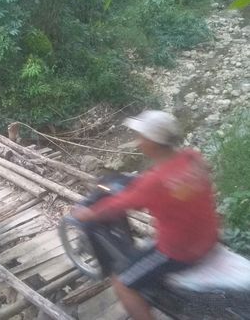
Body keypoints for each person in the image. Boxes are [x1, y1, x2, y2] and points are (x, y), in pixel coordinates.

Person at [70, 110, 219, 320]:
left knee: (122, 283)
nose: (138, 142)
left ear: (153, 142)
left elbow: (117, 205)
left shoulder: (154, 182)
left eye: (141, 137)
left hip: (180, 251)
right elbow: (200, 172)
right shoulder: (191, 156)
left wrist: (87, 213)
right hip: (209, 236)